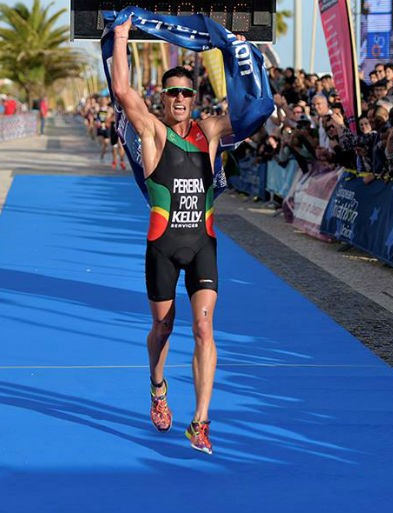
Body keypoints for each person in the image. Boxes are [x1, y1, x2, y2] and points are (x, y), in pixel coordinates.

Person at [111, 16, 239, 455]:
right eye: (174, 93)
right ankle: (157, 386)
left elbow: (252, 111)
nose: (181, 98)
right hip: (162, 247)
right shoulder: (152, 130)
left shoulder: (211, 131)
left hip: (203, 243)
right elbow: (124, 93)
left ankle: (200, 422)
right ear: (163, 99)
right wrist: (123, 36)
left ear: (195, 98)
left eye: (187, 93)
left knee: (204, 328)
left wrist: (236, 52)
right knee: (163, 329)